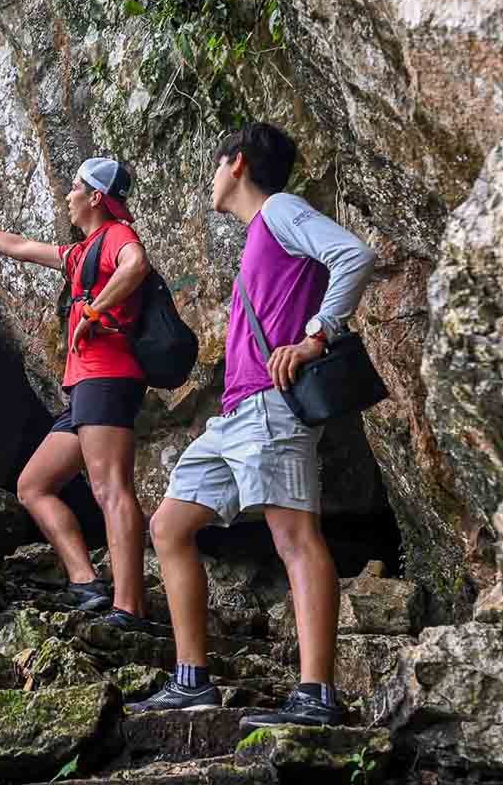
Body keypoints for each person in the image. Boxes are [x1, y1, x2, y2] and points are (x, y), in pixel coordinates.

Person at [126, 123, 376, 726]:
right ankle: (192, 682)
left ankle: (316, 696)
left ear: (236, 163)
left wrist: (317, 336)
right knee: (169, 526)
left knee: (295, 539)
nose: (210, 181)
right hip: (236, 413)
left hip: (272, 407)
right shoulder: (257, 236)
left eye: (215, 166)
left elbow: (354, 254)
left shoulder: (281, 210)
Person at [0, 157, 153, 631]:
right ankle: (86, 582)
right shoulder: (82, 252)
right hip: (85, 391)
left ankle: (129, 607)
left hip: (109, 377)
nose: (68, 195)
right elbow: (20, 246)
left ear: (96, 197)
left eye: (75, 187)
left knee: (110, 488)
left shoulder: (116, 235)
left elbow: (136, 264)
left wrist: (94, 312)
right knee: (33, 485)